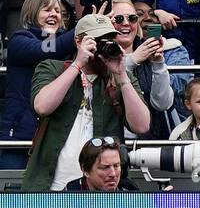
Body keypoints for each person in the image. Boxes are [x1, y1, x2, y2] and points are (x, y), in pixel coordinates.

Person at [23, 12, 152, 191]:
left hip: (100, 190)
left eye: (109, 39)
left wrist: (121, 74)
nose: (103, 45)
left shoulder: (121, 77)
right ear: (78, 41)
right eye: (97, 40)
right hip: (50, 186)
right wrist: (78, 64)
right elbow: (42, 106)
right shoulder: (52, 67)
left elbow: (142, 126)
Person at [0, 0, 74, 169]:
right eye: (47, 10)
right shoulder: (20, 39)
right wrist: (84, 28)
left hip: (56, 139)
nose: (54, 14)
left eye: (57, 11)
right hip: (19, 139)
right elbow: (46, 50)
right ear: (31, 13)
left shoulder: (67, 44)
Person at [108, 0, 187, 139]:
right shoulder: (97, 53)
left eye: (132, 18)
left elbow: (162, 104)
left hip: (148, 142)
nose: (126, 23)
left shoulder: (147, 50)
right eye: (119, 19)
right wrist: (133, 60)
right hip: (109, 141)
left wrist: (158, 63)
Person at [63, 136, 140, 191]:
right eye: (105, 167)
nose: (113, 174)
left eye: (116, 166)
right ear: (85, 170)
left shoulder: (131, 193)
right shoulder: (66, 199)